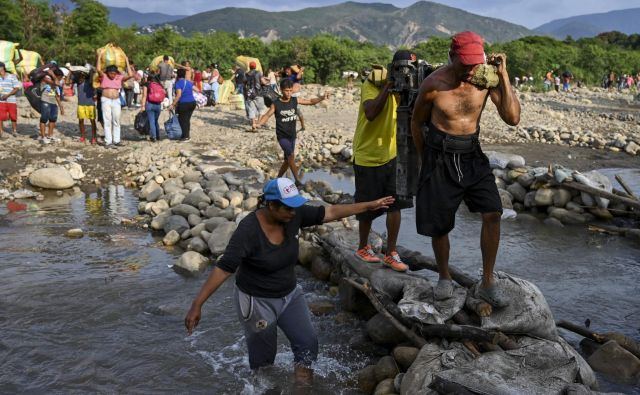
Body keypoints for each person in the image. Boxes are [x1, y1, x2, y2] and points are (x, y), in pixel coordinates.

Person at [184, 177, 395, 384]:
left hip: (290, 295)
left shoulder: (293, 214)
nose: (294, 213)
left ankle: (302, 387)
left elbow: (330, 212)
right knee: (264, 364)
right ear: (271, 205)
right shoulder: (248, 231)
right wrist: (197, 304)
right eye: (288, 208)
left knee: (307, 344)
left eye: (295, 207)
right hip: (257, 301)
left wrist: (369, 205)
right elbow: (224, 268)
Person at [410, 31, 521, 308]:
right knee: (440, 223)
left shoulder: (486, 80)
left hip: (472, 153)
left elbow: (513, 118)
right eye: (465, 64)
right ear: (452, 57)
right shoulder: (434, 84)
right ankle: (444, 278)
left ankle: (487, 282)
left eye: (475, 63)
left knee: (493, 212)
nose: (471, 70)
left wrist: (503, 76)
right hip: (439, 154)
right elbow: (416, 123)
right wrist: (425, 160)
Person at [351, 51, 417, 272]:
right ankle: (362, 247)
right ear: (392, 68)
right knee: (367, 206)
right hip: (367, 154)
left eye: (409, 69)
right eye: (401, 70)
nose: (404, 74)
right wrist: (389, 86)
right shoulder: (373, 83)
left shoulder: (410, 88)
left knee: (395, 205)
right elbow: (370, 112)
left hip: (392, 154)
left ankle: (391, 252)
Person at [256, 79, 328, 187]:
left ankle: (278, 179)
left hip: (292, 135)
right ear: (281, 90)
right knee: (291, 156)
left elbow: (310, 102)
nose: (288, 93)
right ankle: (297, 180)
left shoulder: (295, 100)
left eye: (290, 90)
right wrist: (259, 124)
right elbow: (266, 115)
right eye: (286, 91)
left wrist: (321, 98)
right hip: (282, 136)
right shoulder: (276, 103)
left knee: (287, 160)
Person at [96, 51, 134, 147]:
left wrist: (126, 60)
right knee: (107, 120)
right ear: (107, 72)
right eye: (111, 73)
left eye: (114, 73)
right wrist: (100, 56)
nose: (112, 75)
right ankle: (108, 141)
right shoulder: (104, 76)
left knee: (116, 120)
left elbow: (130, 75)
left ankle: (116, 140)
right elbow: (98, 69)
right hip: (106, 100)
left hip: (116, 101)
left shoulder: (119, 77)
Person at [170, 68, 196, 142]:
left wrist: (173, 104)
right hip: (192, 102)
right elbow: (197, 89)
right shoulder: (188, 82)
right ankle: (186, 135)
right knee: (187, 120)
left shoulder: (178, 83)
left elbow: (178, 95)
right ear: (184, 75)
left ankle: (185, 137)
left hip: (184, 103)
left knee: (182, 120)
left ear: (177, 75)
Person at [39, 72, 65, 144]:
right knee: (43, 119)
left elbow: (56, 95)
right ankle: (43, 137)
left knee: (52, 119)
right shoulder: (45, 79)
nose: (60, 79)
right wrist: (53, 75)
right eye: (60, 77)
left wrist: (61, 107)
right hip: (45, 101)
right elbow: (57, 83)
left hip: (53, 103)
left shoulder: (54, 84)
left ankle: (50, 135)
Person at [243, 61, 269, 132]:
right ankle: (258, 123)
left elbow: (244, 83)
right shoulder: (258, 73)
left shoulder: (246, 74)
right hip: (258, 93)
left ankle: (253, 124)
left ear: (249, 67)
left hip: (249, 94)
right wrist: (267, 82)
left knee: (251, 109)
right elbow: (263, 82)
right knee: (261, 109)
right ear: (255, 66)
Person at [0, 61, 22, 138]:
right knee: (0, 117)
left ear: (2, 68)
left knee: (13, 116)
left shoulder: (12, 76)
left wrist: (8, 95)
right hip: (1, 101)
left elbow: (16, 88)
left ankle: (14, 131)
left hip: (11, 100)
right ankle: (1, 132)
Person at [141, 73, 164, 142]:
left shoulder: (147, 84)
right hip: (158, 105)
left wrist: (142, 106)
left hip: (150, 104)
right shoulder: (160, 85)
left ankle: (153, 137)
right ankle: (158, 136)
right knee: (156, 121)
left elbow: (144, 95)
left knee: (151, 121)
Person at [75, 72, 97, 144]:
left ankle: (94, 137)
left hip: (90, 104)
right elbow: (67, 82)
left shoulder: (91, 81)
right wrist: (70, 71)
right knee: (81, 121)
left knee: (92, 121)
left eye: (84, 74)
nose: (83, 75)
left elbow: (93, 78)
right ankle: (82, 136)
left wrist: (89, 72)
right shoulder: (78, 81)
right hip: (81, 104)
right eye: (81, 74)